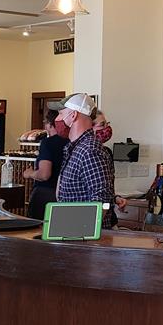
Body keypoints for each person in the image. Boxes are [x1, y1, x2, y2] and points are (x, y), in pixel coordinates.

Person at [51, 93, 116, 229]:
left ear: (73, 115)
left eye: (61, 114)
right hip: (71, 232)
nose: (57, 119)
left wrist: (81, 231)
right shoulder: (75, 148)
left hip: (84, 237)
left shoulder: (90, 150)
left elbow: (102, 200)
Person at [23, 109, 68, 219]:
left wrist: (29, 173)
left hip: (45, 194)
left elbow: (44, 175)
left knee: (38, 227)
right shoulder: (70, 141)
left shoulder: (48, 143)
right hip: (64, 194)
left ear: (50, 124)